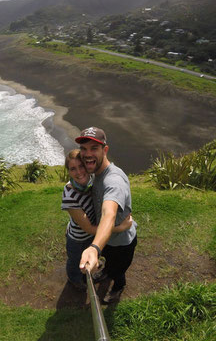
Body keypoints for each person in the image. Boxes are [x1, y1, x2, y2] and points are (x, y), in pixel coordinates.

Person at [77, 127, 137, 303]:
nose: (87, 154)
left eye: (94, 149)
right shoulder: (97, 172)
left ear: (105, 150)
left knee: (119, 271)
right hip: (108, 240)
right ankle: (106, 272)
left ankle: (118, 287)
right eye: (84, 149)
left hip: (122, 244)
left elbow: (108, 213)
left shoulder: (114, 181)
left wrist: (94, 247)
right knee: (109, 263)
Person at [62, 149, 133, 291]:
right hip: (78, 239)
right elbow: (87, 227)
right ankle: (75, 280)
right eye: (73, 169)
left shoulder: (91, 183)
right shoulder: (69, 195)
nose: (79, 172)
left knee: (90, 258)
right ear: (68, 172)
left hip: (92, 237)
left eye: (81, 166)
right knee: (75, 262)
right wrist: (119, 228)